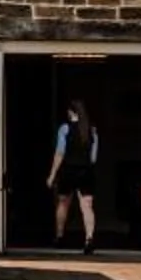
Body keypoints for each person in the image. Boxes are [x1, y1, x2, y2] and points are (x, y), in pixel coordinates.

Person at [49, 99, 101, 255]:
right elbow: (93, 158)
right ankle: (89, 238)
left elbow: (60, 153)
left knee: (63, 203)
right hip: (86, 171)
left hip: (68, 170)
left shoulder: (64, 129)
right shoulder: (92, 131)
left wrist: (52, 175)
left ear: (71, 112)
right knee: (87, 206)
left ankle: (59, 236)